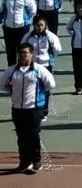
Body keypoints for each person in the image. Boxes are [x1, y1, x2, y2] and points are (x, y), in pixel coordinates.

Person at [4, 42, 56, 174]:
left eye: (25, 53)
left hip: (34, 109)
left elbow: (51, 84)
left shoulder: (39, 69)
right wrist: (13, 92)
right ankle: (24, 162)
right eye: (20, 53)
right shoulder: (11, 70)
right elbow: (2, 84)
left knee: (33, 134)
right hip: (17, 108)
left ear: (31, 54)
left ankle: (36, 160)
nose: (22, 56)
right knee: (21, 137)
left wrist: (40, 94)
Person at [21, 16, 61, 122]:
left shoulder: (50, 36)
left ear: (45, 25)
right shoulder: (28, 36)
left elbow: (57, 49)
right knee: (30, 87)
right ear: (34, 25)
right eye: (37, 25)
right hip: (31, 66)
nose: (39, 27)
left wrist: (50, 57)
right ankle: (30, 109)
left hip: (45, 65)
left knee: (45, 88)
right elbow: (22, 47)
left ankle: (44, 111)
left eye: (42, 25)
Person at [2, 0, 38, 67]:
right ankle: (11, 69)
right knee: (10, 51)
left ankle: (22, 68)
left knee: (22, 50)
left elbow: (33, 11)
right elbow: (3, 11)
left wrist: (25, 20)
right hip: (8, 28)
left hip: (22, 28)